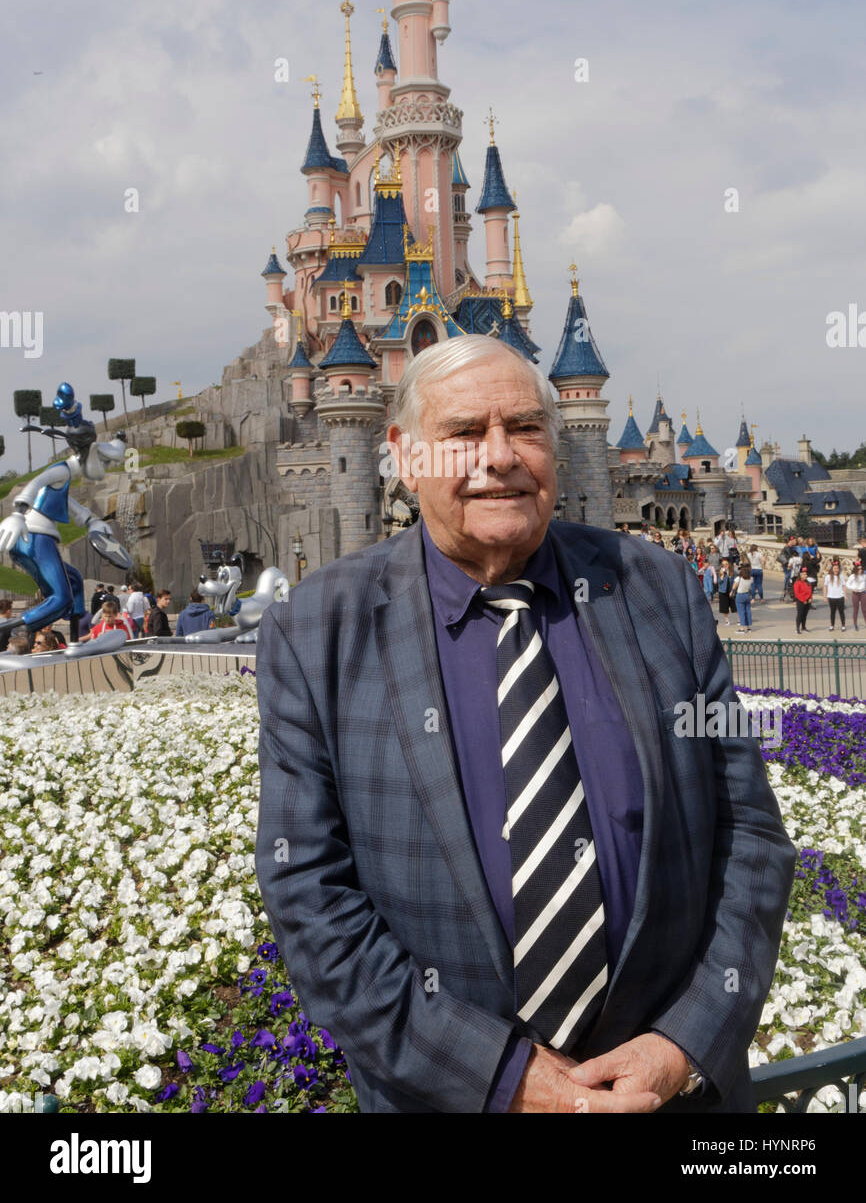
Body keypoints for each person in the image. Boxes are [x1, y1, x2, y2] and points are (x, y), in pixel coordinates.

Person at [256, 336, 795, 1116]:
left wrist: (683, 1043)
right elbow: (309, 895)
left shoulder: (657, 590)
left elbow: (750, 839)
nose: (500, 456)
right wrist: (506, 1081)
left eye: (527, 428)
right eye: (465, 433)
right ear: (404, 458)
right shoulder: (318, 630)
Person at [823, 562, 846, 633]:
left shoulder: (841, 576)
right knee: (832, 612)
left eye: (837, 568)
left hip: (840, 596)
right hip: (831, 597)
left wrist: (845, 595)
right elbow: (825, 586)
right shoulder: (828, 576)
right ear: (832, 569)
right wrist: (825, 596)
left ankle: (843, 625)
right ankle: (832, 625)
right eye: (835, 568)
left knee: (841, 612)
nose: (836, 570)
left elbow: (843, 586)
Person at [845, 561, 866, 631]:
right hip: (855, 594)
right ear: (856, 569)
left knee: (864, 609)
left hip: (863, 593)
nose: (861, 570)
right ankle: (855, 625)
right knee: (855, 610)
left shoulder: (864, 575)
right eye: (859, 569)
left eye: (861, 569)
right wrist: (853, 588)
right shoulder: (852, 576)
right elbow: (847, 584)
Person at [733, 564, 752, 633]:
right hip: (747, 595)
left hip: (740, 595)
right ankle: (749, 628)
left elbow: (734, 587)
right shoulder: (750, 578)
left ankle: (742, 629)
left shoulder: (739, 578)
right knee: (748, 611)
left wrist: (732, 591)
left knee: (741, 612)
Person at [793, 567, 813, 634]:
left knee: (805, 615)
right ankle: (797, 628)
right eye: (804, 574)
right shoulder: (797, 583)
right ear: (800, 575)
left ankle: (803, 627)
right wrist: (803, 600)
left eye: (806, 574)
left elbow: (810, 591)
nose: (805, 576)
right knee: (800, 614)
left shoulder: (808, 583)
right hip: (800, 601)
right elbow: (797, 593)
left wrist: (810, 598)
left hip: (807, 601)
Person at [716, 560, 733, 626]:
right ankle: (727, 621)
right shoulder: (721, 572)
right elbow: (719, 582)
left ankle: (740, 620)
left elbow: (736, 579)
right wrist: (722, 575)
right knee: (724, 607)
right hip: (723, 591)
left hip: (731, 591)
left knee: (734, 606)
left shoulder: (732, 572)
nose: (725, 565)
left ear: (728, 565)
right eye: (723, 564)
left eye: (726, 564)